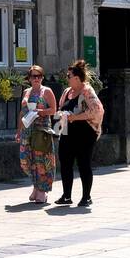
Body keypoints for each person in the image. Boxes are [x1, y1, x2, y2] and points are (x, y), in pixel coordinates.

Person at [56, 59, 104, 207]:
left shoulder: (87, 91)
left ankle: (86, 197)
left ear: (77, 78)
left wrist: (75, 117)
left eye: (69, 76)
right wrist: (60, 118)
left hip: (84, 133)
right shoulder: (67, 92)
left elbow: (97, 110)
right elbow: (60, 109)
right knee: (65, 163)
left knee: (84, 164)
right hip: (67, 132)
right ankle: (66, 195)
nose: (67, 78)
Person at [15, 65, 57, 203]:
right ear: (29, 78)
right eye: (34, 76)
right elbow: (22, 112)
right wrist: (18, 131)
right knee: (26, 161)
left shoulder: (47, 91)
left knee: (41, 161)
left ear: (42, 78)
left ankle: (42, 191)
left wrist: (41, 111)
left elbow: (53, 110)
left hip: (41, 130)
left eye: (39, 76)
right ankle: (36, 186)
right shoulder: (26, 92)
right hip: (27, 130)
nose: (36, 79)